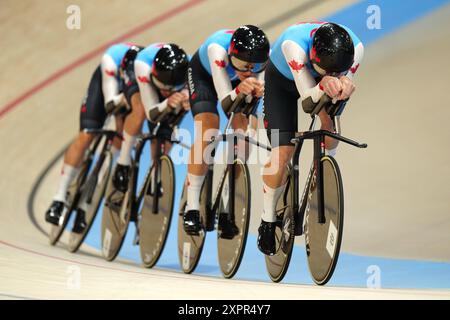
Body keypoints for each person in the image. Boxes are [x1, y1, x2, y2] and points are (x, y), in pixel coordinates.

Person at [257, 22, 364, 255]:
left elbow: (337, 89)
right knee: (282, 152)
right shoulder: (293, 45)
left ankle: (323, 168)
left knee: (331, 125)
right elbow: (308, 102)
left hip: (319, 80)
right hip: (282, 83)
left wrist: (342, 86)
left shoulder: (356, 49)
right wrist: (323, 83)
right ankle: (267, 220)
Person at [182, 25, 270, 236]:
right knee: (208, 129)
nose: (247, 71)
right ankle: (191, 208)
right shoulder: (217, 50)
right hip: (205, 77)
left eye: (253, 67)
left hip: (235, 85)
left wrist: (253, 90)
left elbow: (249, 113)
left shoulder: (261, 63)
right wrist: (241, 88)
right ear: (231, 54)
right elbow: (226, 104)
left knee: (245, 139)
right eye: (240, 64)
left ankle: (226, 202)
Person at [45, 43, 135, 232]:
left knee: (123, 135)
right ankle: (59, 198)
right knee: (88, 134)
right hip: (107, 88)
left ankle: (87, 202)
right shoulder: (111, 60)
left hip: (131, 91)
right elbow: (110, 104)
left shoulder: (142, 73)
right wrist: (123, 98)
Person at [112, 43, 190, 193]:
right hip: (140, 76)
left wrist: (185, 97)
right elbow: (151, 114)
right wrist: (168, 101)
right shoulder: (143, 65)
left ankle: (156, 173)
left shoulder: (189, 70)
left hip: (171, 82)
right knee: (140, 110)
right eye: (164, 89)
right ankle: (123, 162)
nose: (166, 92)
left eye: (170, 90)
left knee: (166, 131)